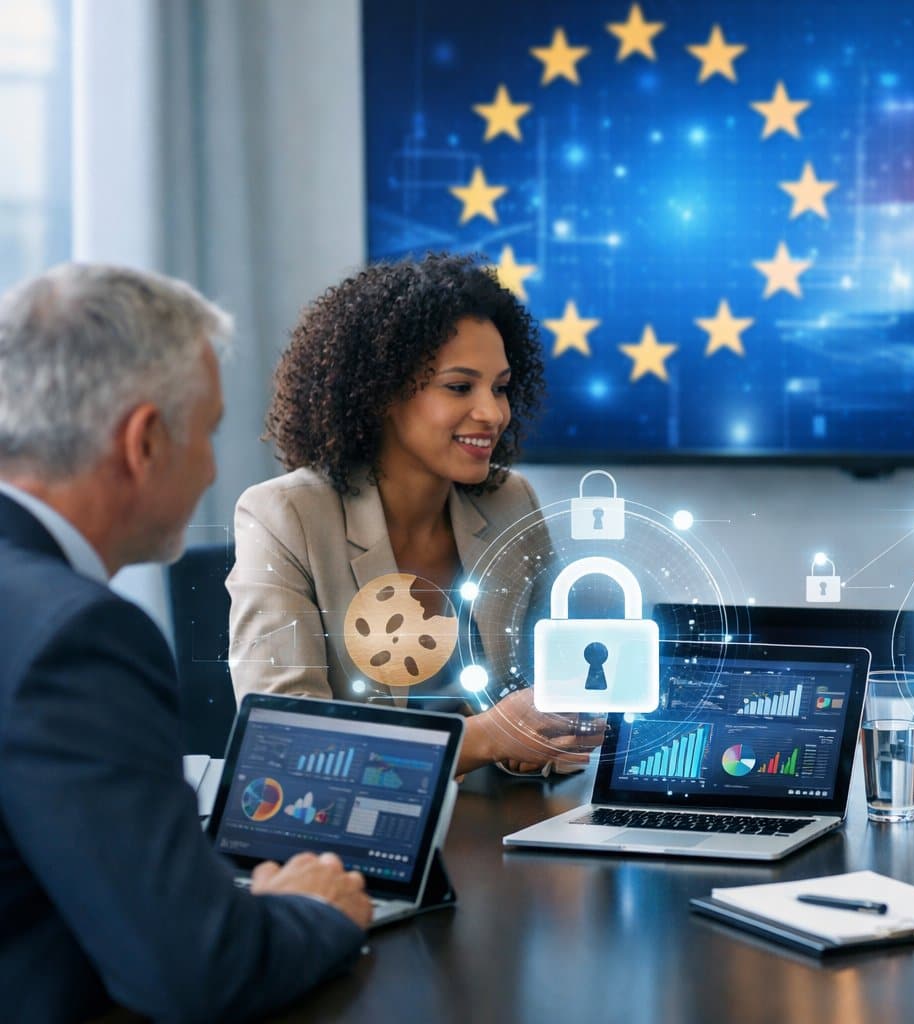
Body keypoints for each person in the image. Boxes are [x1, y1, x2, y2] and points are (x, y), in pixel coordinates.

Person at [0, 264, 371, 1022]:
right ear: (143, 441)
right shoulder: (75, 636)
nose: (211, 468)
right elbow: (198, 970)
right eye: (207, 431)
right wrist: (312, 908)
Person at [228, 254, 599, 775]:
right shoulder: (285, 515)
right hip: (348, 839)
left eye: (499, 386)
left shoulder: (511, 501)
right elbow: (286, 743)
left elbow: (546, 712)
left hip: (496, 829)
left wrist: (570, 723)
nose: (492, 413)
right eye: (459, 386)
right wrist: (487, 737)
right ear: (380, 392)